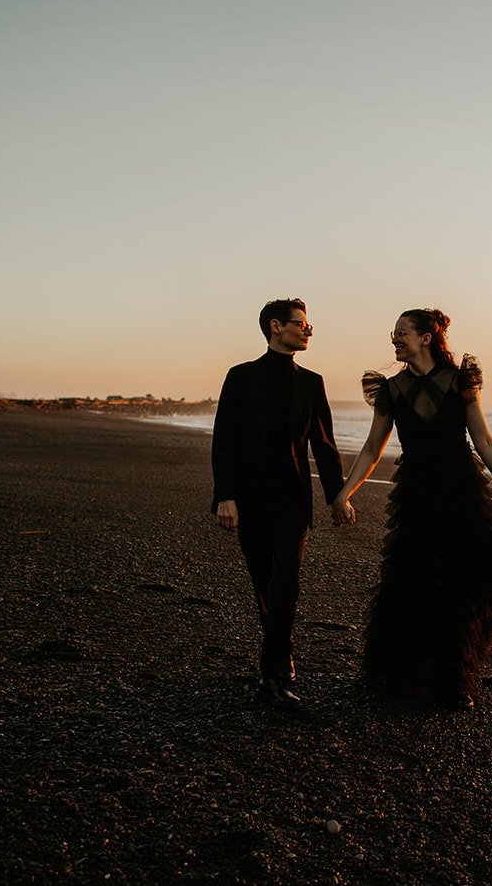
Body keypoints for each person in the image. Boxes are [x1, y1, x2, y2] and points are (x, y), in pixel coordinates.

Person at [331, 308, 492, 709]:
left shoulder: (460, 380)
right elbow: (373, 448)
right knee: (412, 582)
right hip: (416, 495)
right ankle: (405, 674)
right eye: (393, 333)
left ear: (426, 338)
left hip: (462, 492)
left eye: (401, 333)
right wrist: (346, 492)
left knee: (462, 583)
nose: (394, 339)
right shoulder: (391, 389)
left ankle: (453, 679)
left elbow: (484, 440)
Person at [211, 298, 345, 708]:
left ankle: (272, 672)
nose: (309, 331)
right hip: (249, 500)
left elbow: (323, 445)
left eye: (308, 325)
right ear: (275, 327)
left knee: (286, 581)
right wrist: (225, 497)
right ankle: (279, 654)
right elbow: (224, 442)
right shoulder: (240, 377)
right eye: (301, 324)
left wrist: (337, 496)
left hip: (291, 500)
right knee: (264, 581)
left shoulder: (311, 382)